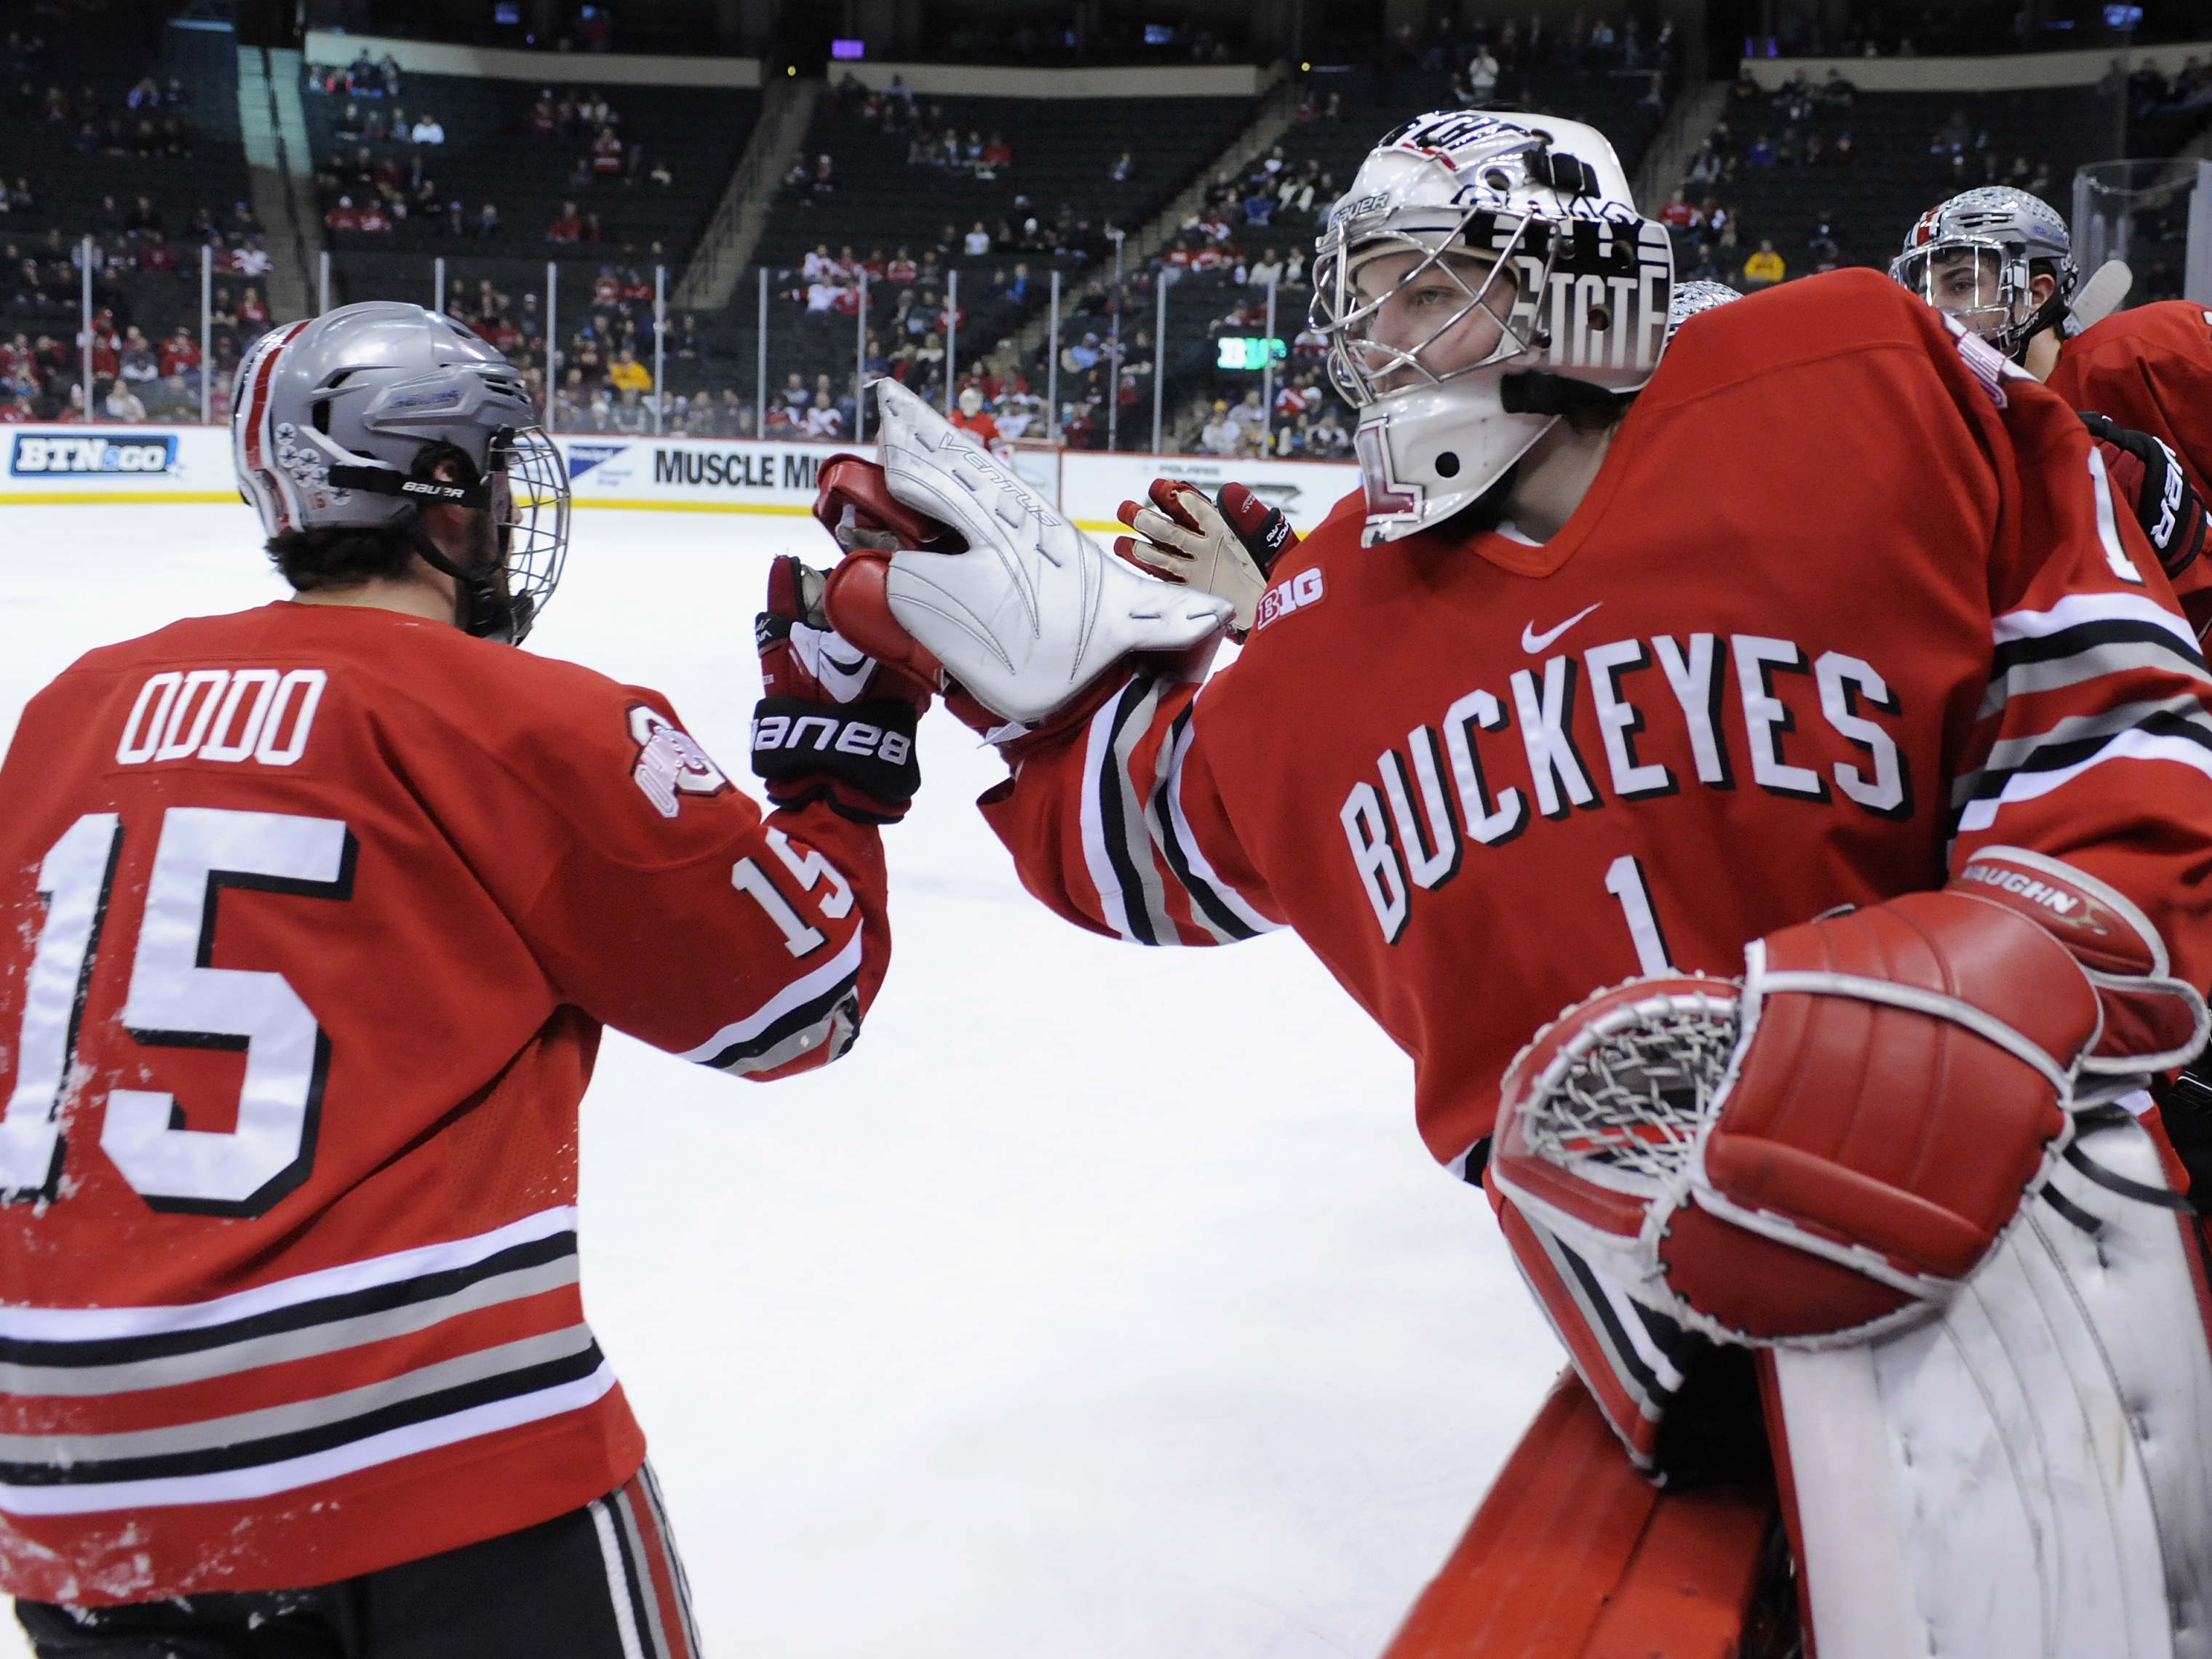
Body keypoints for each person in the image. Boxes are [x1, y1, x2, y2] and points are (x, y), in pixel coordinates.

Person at [800, 112, 2212, 1656]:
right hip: (1706, 1382)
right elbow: (1156, 850)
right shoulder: (1326, 631)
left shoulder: (1850, 376)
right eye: (1365, 292)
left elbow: (2113, 710)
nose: (1373, 337)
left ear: (1579, 285)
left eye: (1424, 288)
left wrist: (2004, 969)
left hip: (2088, 1233)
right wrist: (1036, 688)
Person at [0, 302, 923, 1647]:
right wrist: (834, 766)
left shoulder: (71, 711)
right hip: (423, 1452)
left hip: (77, 1480)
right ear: (441, 493)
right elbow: (797, 1001)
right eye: (491, 472)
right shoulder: (524, 719)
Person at [1893, 185, 2212, 634]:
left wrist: (2191, 546)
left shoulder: (2153, 349)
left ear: (2038, 293)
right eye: (1921, 291)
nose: (1935, 311)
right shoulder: (1953, 450)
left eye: (1961, 284)